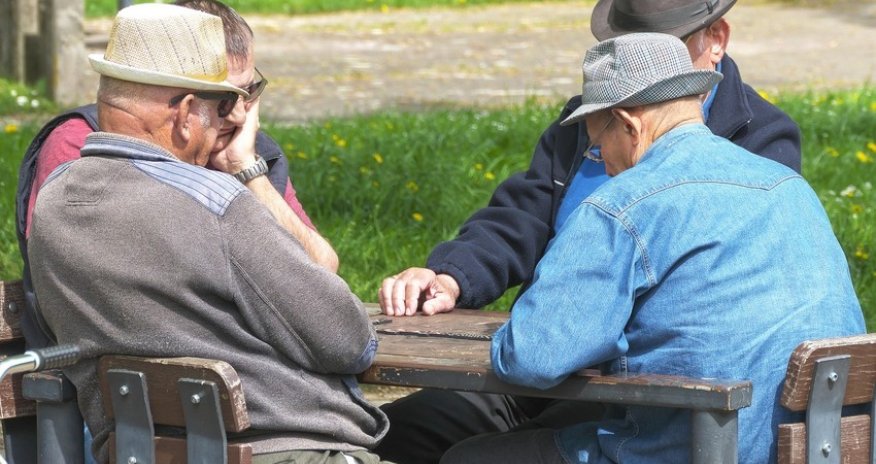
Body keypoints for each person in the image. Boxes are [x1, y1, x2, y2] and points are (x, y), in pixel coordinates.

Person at [375, 1, 803, 462]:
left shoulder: (730, 155)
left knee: (477, 456)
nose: (596, 151)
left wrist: (556, 333)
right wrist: (452, 275)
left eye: (664, 45)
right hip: (575, 374)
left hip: (664, 398)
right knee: (395, 432)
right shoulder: (787, 188)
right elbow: (524, 213)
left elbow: (542, 351)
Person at [440, 32, 864, 464]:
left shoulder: (622, 205)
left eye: (596, 143)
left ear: (628, 123)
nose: (600, 159)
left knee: (466, 457)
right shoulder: (790, 187)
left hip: (689, 447)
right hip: (817, 448)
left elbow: (534, 357)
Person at [26, 4, 389, 464]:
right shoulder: (214, 202)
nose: (230, 120)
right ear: (183, 114)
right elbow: (347, 339)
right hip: (289, 450)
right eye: (221, 106)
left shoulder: (55, 202)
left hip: (136, 452)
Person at [15, 0, 338, 351]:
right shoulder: (80, 145)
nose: (241, 117)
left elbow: (320, 280)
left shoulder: (248, 153)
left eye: (250, 93)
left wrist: (247, 172)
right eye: (225, 100)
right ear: (183, 103)